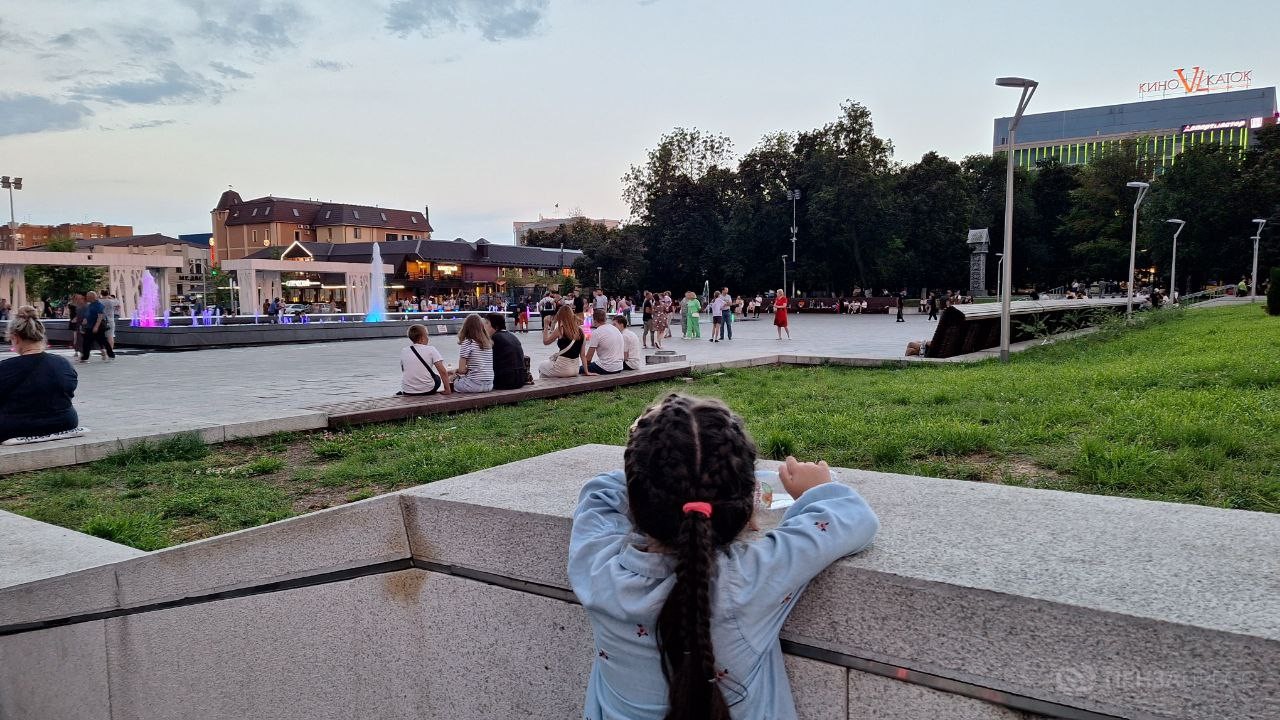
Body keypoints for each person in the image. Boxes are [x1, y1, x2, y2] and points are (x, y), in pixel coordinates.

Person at [568, 394, 879, 720]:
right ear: (745, 509)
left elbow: (600, 492)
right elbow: (853, 516)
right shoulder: (750, 578)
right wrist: (816, 489)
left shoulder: (597, 567)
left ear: (638, 500)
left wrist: (668, 477)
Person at [1, 306, 81, 443]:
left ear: (16, 338)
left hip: (14, 427)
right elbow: (69, 392)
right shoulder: (63, 364)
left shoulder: (5, 368)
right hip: (64, 422)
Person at [398, 325, 451, 396]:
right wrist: (447, 390)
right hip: (427, 390)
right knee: (437, 378)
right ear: (422, 338)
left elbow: (404, 370)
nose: (428, 338)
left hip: (407, 390)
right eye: (427, 335)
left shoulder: (404, 351)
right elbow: (442, 371)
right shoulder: (431, 349)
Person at [539, 305, 586, 378]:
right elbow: (583, 355)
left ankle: (546, 387)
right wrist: (587, 371)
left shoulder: (560, 330)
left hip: (563, 368)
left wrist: (545, 325)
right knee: (546, 372)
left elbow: (546, 342)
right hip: (575, 369)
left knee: (542, 366)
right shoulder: (581, 332)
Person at [451, 314, 494, 393]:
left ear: (466, 327)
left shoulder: (468, 342)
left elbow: (461, 370)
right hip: (489, 385)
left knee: (453, 379)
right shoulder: (488, 343)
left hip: (474, 385)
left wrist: (455, 373)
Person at [485, 312, 527, 390]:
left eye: (487, 323)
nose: (484, 326)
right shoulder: (512, 336)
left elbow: (487, 362)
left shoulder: (495, 338)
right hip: (520, 379)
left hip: (504, 381)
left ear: (496, 327)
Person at [582, 308, 624, 375]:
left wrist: (585, 368)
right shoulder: (615, 329)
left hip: (607, 368)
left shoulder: (597, 332)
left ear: (594, 320)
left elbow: (588, 358)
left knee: (580, 369)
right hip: (619, 366)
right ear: (605, 319)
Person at [78, 291, 115, 363]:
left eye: (88, 296)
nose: (87, 297)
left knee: (103, 341)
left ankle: (111, 355)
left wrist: (96, 327)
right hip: (89, 326)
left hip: (97, 327)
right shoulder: (90, 305)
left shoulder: (98, 305)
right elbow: (88, 315)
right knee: (86, 342)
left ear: (92, 297)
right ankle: (85, 358)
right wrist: (85, 321)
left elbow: (100, 316)